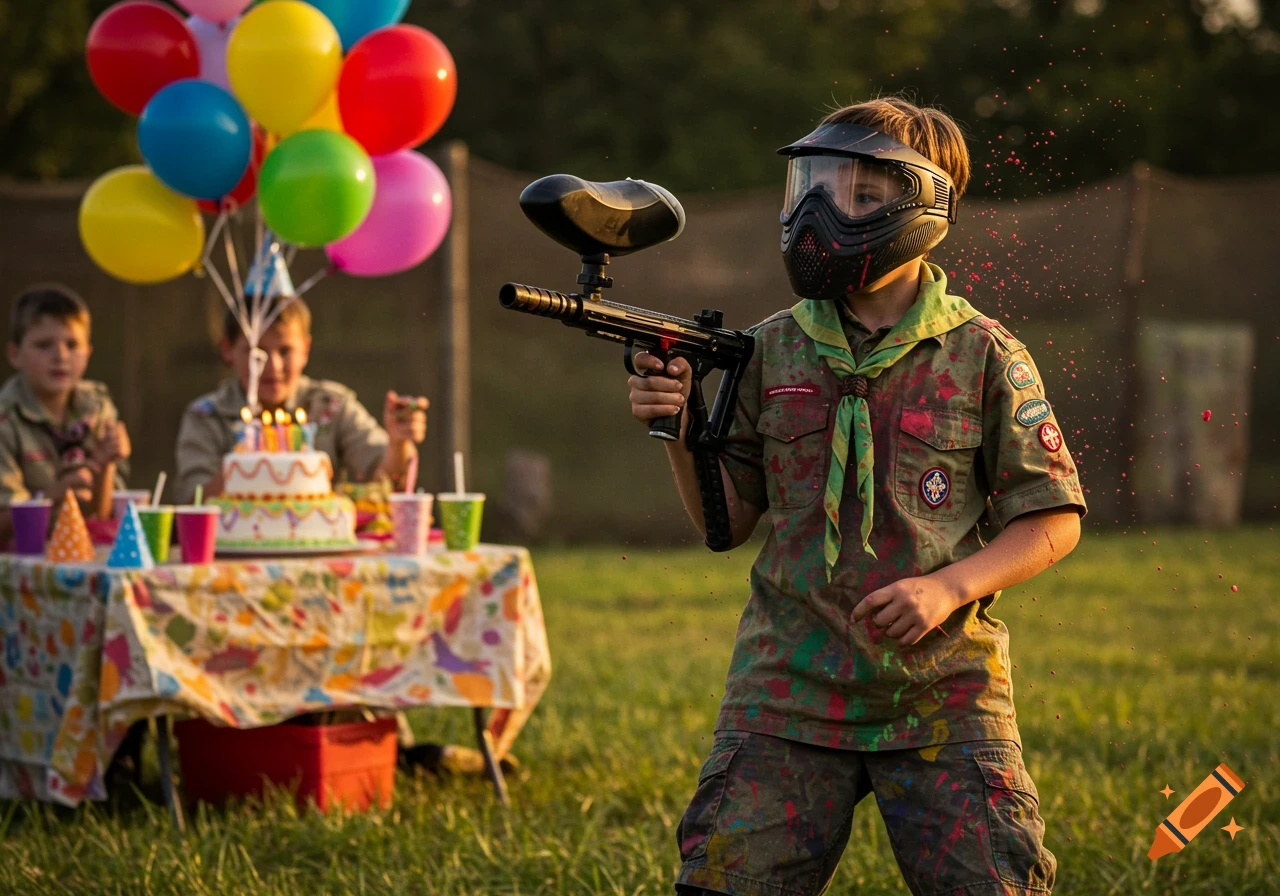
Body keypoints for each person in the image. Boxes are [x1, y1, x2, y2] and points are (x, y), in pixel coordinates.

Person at [628, 96, 1086, 896]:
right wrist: (678, 426)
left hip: (942, 693)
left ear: (926, 205)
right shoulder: (769, 347)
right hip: (784, 691)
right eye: (814, 185)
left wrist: (951, 586)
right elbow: (724, 522)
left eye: (863, 196)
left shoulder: (982, 352)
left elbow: (1051, 518)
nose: (823, 210)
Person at [173, 295, 427, 505]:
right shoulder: (207, 415)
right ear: (228, 350)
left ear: (305, 349)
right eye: (257, 352)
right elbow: (191, 501)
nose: (272, 366)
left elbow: (388, 483)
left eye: (285, 351)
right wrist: (250, 460)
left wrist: (398, 442)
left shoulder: (331, 405)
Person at [0, 284, 130, 546]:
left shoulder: (98, 406)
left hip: (81, 558)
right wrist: (53, 496)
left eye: (72, 344)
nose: (60, 356)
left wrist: (106, 466)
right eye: (44, 345)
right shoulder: (6, 419)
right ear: (15, 355)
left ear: (88, 354)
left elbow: (100, 516)